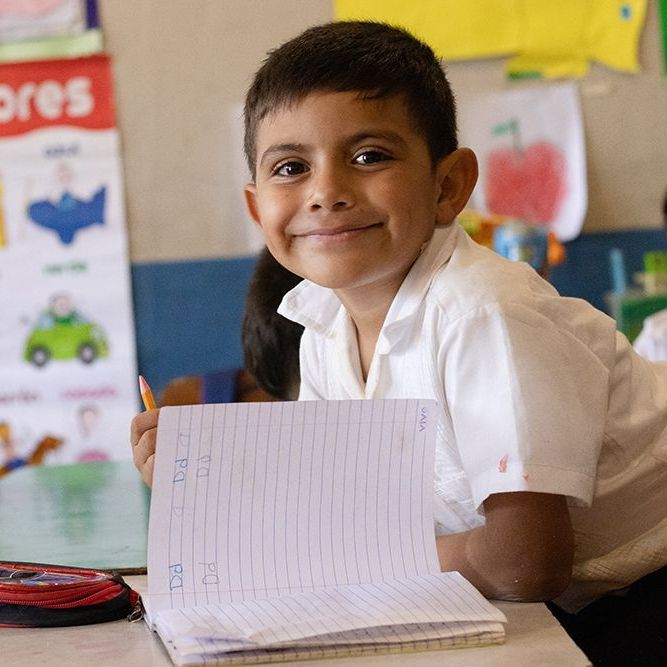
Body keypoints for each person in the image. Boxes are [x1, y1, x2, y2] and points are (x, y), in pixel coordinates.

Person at [132, 21, 667, 664]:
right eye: (291, 167)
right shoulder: (321, 328)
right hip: (573, 604)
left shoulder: (482, 313)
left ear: (448, 187)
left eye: (369, 156)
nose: (326, 192)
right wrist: (205, 491)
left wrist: (376, 559)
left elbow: (526, 562)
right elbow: (342, 514)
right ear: (257, 208)